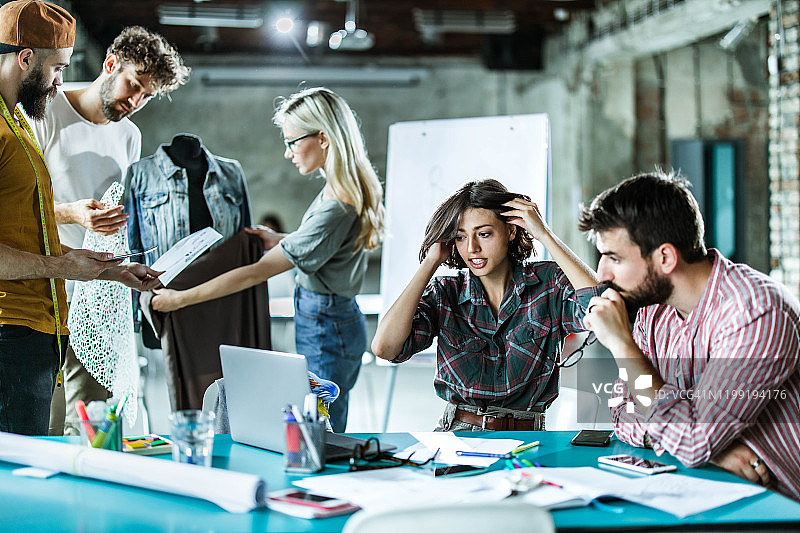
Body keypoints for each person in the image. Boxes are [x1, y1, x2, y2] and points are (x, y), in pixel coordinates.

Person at [151, 87, 385, 432]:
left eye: (292, 142)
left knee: (318, 431)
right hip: (333, 318)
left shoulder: (337, 204)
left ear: (323, 138)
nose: (288, 152)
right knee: (320, 423)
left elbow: (255, 273)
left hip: (325, 324)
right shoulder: (344, 189)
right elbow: (329, 243)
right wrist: (282, 240)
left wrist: (180, 299)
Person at [578, 171, 800, 502]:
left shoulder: (756, 312)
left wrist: (622, 345)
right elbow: (621, 410)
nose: (602, 274)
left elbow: (692, 441)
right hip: (705, 494)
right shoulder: (652, 307)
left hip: (778, 507)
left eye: (614, 258)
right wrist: (709, 449)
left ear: (665, 258)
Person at [0, 0, 160, 436]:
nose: (59, 81)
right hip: (13, 319)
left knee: (70, 437)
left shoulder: (18, 125)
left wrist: (112, 271)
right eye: (57, 68)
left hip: (46, 316)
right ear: (25, 58)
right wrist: (63, 259)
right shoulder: (25, 121)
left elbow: (27, 225)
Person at [31, 26, 189, 436]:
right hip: (45, 287)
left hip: (99, 294)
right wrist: (72, 214)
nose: (135, 102)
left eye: (147, 96)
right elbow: (17, 208)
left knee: (91, 422)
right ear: (110, 64)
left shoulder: (130, 135)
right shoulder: (46, 111)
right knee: (44, 420)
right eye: (134, 85)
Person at [371, 179, 599, 431]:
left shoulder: (549, 283)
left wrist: (545, 235)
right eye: (460, 237)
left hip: (529, 438)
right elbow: (386, 348)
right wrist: (431, 262)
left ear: (511, 231)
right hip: (457, 434)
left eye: (484, 234)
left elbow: (601, 307)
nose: (472, 248)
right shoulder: (445, 293)